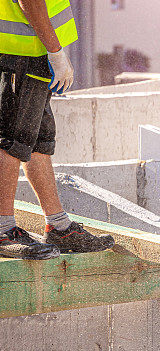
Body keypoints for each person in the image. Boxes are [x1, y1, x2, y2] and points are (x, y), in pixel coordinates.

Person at [0, 0, 113, 260]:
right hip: (20, 54)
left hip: (32, 55)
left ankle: (58, 226)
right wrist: (56, 51)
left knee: (37, 141)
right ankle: (3, 230)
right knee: (10, 140)